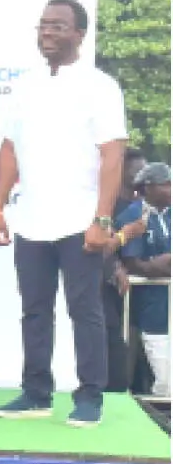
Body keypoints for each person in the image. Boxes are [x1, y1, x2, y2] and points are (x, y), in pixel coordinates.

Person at [0, 0, 126, 427]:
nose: (48, 32)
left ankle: (90, 397)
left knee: (85, 311)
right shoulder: (25, 85)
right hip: (31, 219)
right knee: (34, 310)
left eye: (59, 26)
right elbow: (9, 150)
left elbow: (113, 154)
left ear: (79, 34)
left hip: (80, 220)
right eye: (43, 25)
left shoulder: (100, 85)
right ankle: (35, 393)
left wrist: (102, 219)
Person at [119, 163, 170, 398]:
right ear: (148, 187)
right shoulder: (133, 215)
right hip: (152, 310)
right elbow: (131, 262)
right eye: (165, 184)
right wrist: (153, 268)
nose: (171, 189)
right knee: (167, 381)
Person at [102, 148, 148, 392]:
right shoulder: (106, 206)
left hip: (144, 292)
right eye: (138, 170)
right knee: (119, 340)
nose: (143, 175)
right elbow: (102, 247)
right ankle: (120, 389)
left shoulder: (146, 206)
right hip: (110, 287)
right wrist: (118, 265)